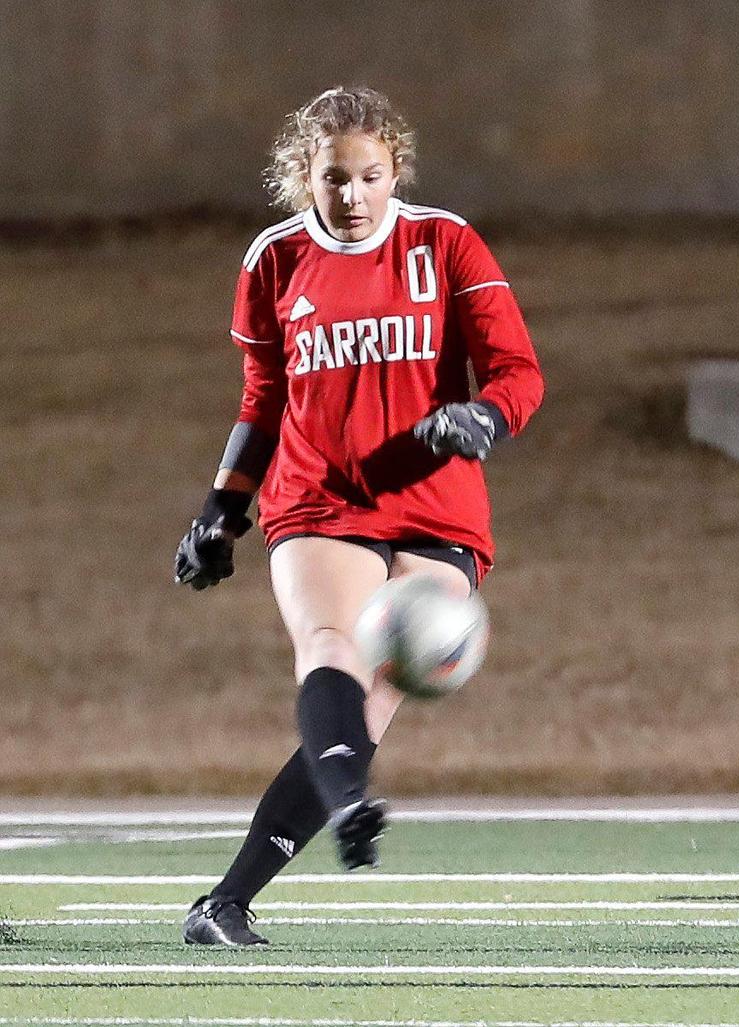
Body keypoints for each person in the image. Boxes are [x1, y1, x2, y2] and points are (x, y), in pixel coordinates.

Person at [173, 86, 544, 946]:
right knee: (330, 650)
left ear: (394, 171)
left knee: (369, 709)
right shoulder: (274, 258)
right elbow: (263, 400)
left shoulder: (444, 242)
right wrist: (220, 513)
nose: (351, 196)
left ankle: (225, 899)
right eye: (333, 177)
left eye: (369, 176)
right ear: (302, 175)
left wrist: (484, 416)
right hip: (319, 495)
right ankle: (336, 815)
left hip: (433, 503)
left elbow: (518, 371)